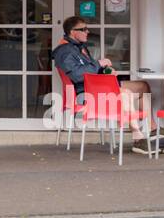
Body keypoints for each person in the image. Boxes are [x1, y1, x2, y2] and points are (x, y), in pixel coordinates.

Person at [53, 16, 155, 153]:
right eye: (83, 29)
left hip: (98, 86)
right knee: (125, 94)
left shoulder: (79, 48)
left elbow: (91, 69)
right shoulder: (65, 51)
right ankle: (138, 138)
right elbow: (77, 76)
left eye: (87, 28)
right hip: (86, 93)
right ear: (72, 32)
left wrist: (105, 70)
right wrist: (99, 63)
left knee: (143, 86)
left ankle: (152, 128)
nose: (87, 31)